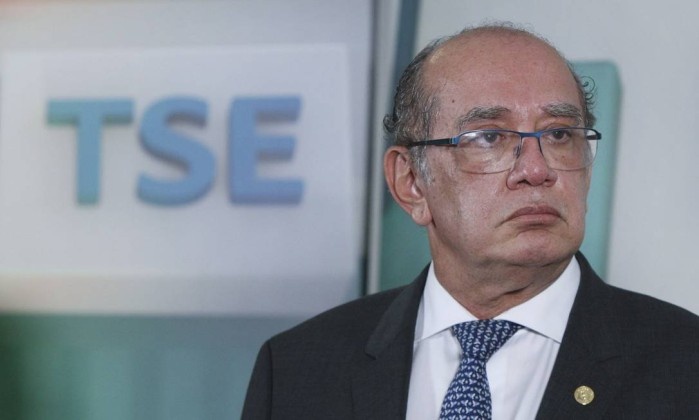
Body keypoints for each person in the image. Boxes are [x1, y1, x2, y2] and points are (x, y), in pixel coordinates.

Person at [242, 23, 699, 419]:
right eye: (489, 137)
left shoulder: (684, 364)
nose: (536, 169)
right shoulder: (297, 370)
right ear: (411, 183)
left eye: (560, 134)